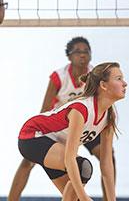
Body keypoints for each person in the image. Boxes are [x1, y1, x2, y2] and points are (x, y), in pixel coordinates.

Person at [9, 37, 116, 201]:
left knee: (104, 159)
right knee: (29, 163)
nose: (83, 55)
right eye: (78, 52)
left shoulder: (97, 78)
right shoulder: (60, 77)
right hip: (52, 129)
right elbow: (45, 109)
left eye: (86, 51)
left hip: (83, 126)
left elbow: (106, 162)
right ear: (69, 56)